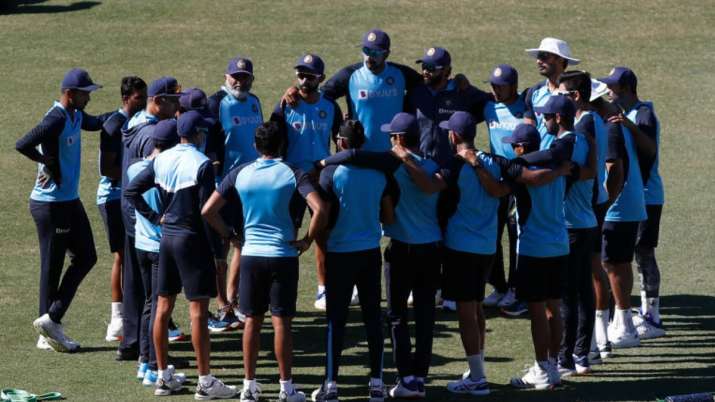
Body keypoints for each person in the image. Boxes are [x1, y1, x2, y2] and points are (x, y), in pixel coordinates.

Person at [320, 113, 444, 399]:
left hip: (398, 249)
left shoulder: (387, 166)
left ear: (399, 139)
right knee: (424, 315)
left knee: (396, 316)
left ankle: (403, 377)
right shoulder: (432, 165)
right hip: (431, 249)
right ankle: (416, 379)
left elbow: (353, 157)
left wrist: (324, 162)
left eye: (391, 137)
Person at [202, 121, 326, 402]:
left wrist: (231, 236)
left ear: (255, 146)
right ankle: (287, 389)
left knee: (252, 322)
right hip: (283, 257)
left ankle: (249, 387)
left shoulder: (240, 173)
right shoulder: (294, 173)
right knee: (282, 324)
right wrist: (307, 240)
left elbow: (208, 210)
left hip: (251, 257)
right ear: (282, 145)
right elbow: (320, 208)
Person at [125, 111, 236, 399]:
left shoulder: (161, 159)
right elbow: (207, 211)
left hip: (167, 239)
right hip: (192, 241)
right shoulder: (202, 163)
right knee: (197, 311)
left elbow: (131, 191)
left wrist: (156, 217)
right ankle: (205, 382)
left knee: (162, 307)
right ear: (198, 134)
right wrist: (226, 236)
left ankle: (163, 377)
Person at [16, 68, 104, 352]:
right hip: (50, 205)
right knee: (51, 267)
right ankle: (46, 332)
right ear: (70, 94)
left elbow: (95, 122)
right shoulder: (55, 118)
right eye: (85, 93)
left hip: (69, 201)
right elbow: (23, 144)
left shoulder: (75, 115)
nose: (88, 98)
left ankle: (50, 319)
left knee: (87, 256)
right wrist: (46, 163)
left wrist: (123, 114)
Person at [311, 119, 397, 402]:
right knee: (373, 319)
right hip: (369, 254)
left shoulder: (331, 173)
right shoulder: (378, 174)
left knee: (336, 321)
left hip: (339, 254)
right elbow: (388, 217)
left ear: (342, 143)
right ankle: (376, 384)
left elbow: (323, 217)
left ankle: (331, 386)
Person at [438, 112, 510, 396]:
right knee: (477, 308)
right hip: (487, 247)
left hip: (461, 248)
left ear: (454, 136)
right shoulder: (493, 161)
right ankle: (477, 368)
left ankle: (478, 378)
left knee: (466, 313)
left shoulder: (454, 166)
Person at [500, 123, 573, 390]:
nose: (512, 150)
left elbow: (528, 179)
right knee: (554, 308)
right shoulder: (560, 167)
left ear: (521, 148)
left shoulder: (520, 170)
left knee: (538, 312)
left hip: (533, 249)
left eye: (514, 146)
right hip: (559, 246)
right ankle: (552, 367)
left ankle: (541, 369)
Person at [270, 53, 342, 311]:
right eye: (300, 75)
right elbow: (272, 143)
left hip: (321, 179)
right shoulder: (285, 105)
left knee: (323, 234)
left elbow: (341, 143)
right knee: (287, 234)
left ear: (321, 79)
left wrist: (327, 167)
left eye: (309, 76)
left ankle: (324, 288)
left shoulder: (331, 107)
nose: (303, 80)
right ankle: (282, 289)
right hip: (291, 181)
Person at [118, 76, 183, 361]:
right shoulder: (152, 134)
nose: (177, 106)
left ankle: (132, 344)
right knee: (152, 295)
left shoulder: (135, 123)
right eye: (173, 101)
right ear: (157, 101)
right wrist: (156, 217)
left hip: (132, 214)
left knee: (137, 286)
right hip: (145, 219)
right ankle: (152, 355)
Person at [600, 67, 665, 340]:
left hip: (648, 195)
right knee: (630, 255)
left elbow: (650, 149)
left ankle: (652, 317)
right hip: (637, 195)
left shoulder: (643, 114)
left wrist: (629, 127)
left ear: (626, 88)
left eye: (612, 86)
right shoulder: (621, 113)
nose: (608, 90)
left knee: (644, 252)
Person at [125, 119, 185, 386]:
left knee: (149, 303)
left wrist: (149, 216)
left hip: (140, 245)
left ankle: (144, 361)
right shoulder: (167, 171)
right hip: (159, 247)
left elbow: (131, 194)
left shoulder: (135, 167)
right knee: (158, 307)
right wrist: (157, 217)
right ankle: (151, 366)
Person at [208, 55, 264, 324]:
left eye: (245, 77)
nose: (240, 82)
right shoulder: (216, 103)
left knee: (243, 241)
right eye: (235, 77)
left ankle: (233, 300)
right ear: (226, 77)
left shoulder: (254, 102)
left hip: (251, 185)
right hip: (224, 186)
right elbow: (209, 144)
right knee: (220, 246)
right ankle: (221, 304)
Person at [179, 87, 241, 332]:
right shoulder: (177, 143)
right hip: (190, 210)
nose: (203, 126)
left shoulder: (210, 127)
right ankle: (210, 311)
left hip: (209, 197)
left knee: (218, 253)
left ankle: (223, 305)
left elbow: (215, 157)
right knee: (204, 258)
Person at [97, 76, 147, 342]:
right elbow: (106, 168)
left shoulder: (139, 121)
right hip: (113, 197)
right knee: (122, 256)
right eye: (139, 98)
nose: (143, 102)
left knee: (133, 255)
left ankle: (133, 314)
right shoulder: (114, 124)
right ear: (126, 98)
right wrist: (136, 177)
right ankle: (118, 319)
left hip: (127, 195)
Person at [481, 64, 526, 316]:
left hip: (518, 181)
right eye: (493, 85)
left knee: (516, 236)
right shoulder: (488, 107)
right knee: (492, 233)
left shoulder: (526, 108)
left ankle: (516, 289)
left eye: (501, 86)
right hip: (495, 181)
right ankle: (499, 286)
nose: (496, 90)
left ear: (514, 86)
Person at [405, 46, 491, 168]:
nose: (425, 71)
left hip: (452, 168)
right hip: (420, 166)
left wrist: (468, 88)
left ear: (446, 70)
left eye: (430, 68)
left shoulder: (461, 93)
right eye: (423, 66)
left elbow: (491, 101)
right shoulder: (416, 93)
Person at [523, 37, 581, 148]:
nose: (538, 61)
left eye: (544, 56)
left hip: (570, 155)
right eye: (539, 56)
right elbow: (528, 132)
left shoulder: (575, 91)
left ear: (561, 59)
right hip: (542, 157)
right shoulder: (534, 92)